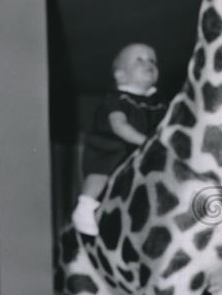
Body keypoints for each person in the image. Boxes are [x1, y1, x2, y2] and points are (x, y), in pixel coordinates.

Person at [71, 42, 166, 235]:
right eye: (139, 60)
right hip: (110, 146)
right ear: (121, 75)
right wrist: (146, 142)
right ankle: (85, 206)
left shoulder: (157, 104)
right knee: (103, 171)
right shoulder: (117, 99)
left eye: (152, 60)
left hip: (141, 150)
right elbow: (119, 126)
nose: (148, 63)